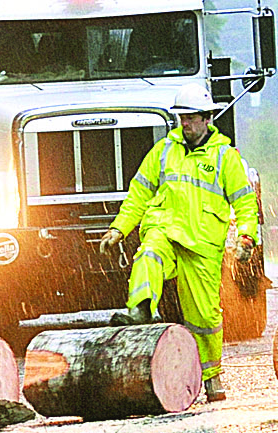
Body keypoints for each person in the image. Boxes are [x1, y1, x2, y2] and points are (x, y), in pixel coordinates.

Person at [100, 83, 260, 403]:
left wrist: (247, 235)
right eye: (181, 118)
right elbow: (139, 193)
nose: (184, 124)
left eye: (190, 118)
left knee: (205, 317)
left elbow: (245, 203)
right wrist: (119, 227)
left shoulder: (225, 158)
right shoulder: (163, 151)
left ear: (206, 118)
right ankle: (141, 308)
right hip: (164, 230)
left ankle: (212, 377)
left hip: (202, 246)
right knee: (148, 256)